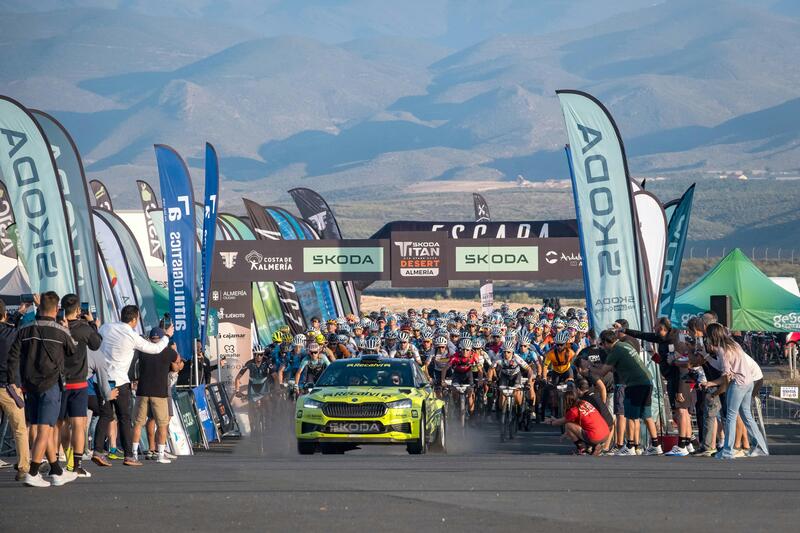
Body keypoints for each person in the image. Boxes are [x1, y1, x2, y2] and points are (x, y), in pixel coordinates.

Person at [93, 305, 172, 467]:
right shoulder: (131, 335)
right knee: (124, 418)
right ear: (134, 320)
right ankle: (129, 456)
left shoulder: (106, 327)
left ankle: (98, 451)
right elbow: (155, 349)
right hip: (119, 381)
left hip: (101, 379)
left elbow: (97, 339)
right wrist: (167, 336)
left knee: (105, 415)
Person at [15, 291, 79, 487]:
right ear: (57, 309)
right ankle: (33, 472)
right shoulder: (60, 331)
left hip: (29, 384)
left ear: (39, 305)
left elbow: (13, 356)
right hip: (51, 384)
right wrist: (66, 329)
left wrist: (14, 381)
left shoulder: (25, 329)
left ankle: (56, 471)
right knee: (45, 429)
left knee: (44, 428)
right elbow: (72, 350)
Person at [700, 323, 769, 459]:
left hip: (738, 384)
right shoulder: (733, 344)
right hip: (749, 382)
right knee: (747, 416)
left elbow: (725, 373)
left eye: (707, 336)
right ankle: (761, 447)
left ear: (712, 336)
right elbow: (722, 366)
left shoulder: (722, 350)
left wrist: (719, 388)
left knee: (731, 416)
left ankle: (727, 451)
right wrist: (707, 357)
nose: (706, 339)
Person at [595, 329, 662, 456]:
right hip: (647, 381)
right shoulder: (624, 345)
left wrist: (588, 367)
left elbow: (602, 372)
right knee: (647, 416)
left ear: (606, 342)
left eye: (602, 344)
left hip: (635, 384)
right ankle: (656, 445)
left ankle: (630, 446)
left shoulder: (615, 351)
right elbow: (612, 368)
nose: (602, 347)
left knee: (631, 416)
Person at [58, 294, 102, 478]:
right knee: (78, 423)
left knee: (60, 423)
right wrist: (93, 324)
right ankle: (76, 465)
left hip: (59, 381)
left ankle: (60, 460)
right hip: (78, 382)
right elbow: (96, 344)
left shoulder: (56, 326)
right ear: (78, 310)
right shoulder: (83, 328)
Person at [132, 328, 181, 464]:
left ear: (150, 338)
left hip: (142, 391)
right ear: (162, 338)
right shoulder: (168, 351)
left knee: (138, 423)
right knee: (162, 424)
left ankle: (134, 454)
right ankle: (160, 455)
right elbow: (177, 361)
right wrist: (174, 349)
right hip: (159, 392)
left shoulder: (143, 350)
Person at [0, 299, 29, 482]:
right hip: (9, 386)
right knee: (19, 429)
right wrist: (20, 314)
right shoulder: (11, 334)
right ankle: (23, 467)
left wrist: (17, 314)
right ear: (4, 314)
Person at [546, 384, 611, 455]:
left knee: (568, 425)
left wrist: (551, 422)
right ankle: (595, 445)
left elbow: (561, 422)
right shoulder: (585, 403)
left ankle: (583, 448)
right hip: (606, 433)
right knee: (582, 425)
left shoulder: (573, 411)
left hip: (595, 437)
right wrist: (557, 421)